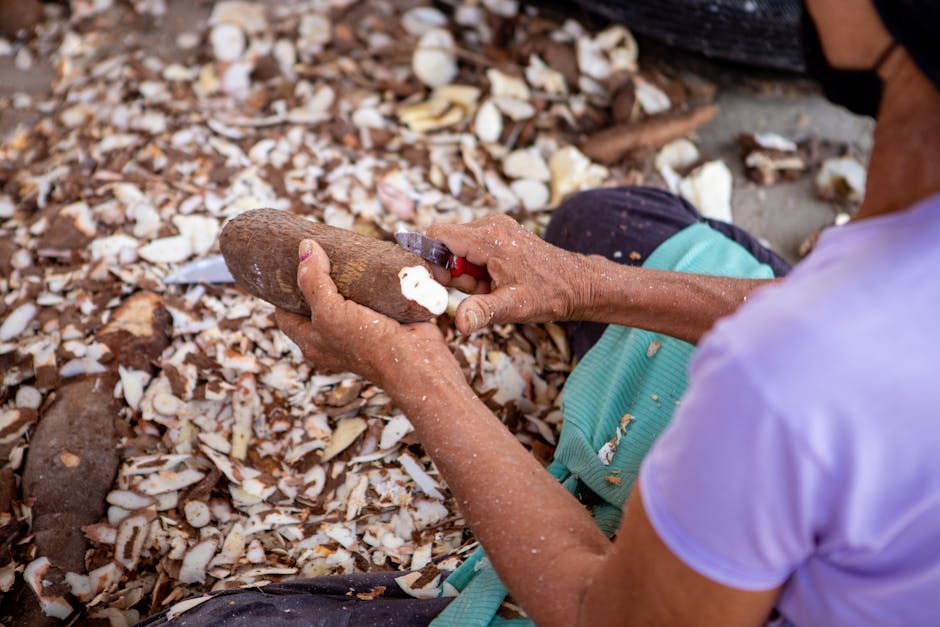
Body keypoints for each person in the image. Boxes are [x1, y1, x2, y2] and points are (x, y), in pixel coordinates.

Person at [142, 0, 940, 624]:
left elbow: (603, 615)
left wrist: (416, 373)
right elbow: (836, 316)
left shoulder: (786, 376)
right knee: (610, 225)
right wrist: (584, 282)